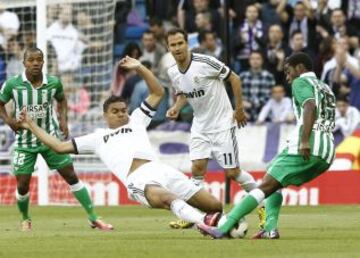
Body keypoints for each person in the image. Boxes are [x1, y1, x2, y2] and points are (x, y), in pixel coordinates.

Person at [17, 56, 224, 229]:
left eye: (123, 110)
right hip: (137, 180)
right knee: (168, 198)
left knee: (215, 205)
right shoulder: (98, 137)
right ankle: (203, 223)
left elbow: (158, 92)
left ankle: (214, 221)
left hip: (161, 169)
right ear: (105, 115)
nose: (121, 114)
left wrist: (140, 67)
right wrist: (31, 125)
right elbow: (59, 147)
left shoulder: (137, 119)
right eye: (115, 112)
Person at [197, 52, 336, 239]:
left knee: (265, 186)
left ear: (300, 68)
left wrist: (304, 140)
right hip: (327, 150)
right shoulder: (325, 87)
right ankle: (270, 229)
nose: (287, 78)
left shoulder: (301, 82)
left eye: (288, 72)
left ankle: (223, 228)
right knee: (272, 176)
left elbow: (310, 106)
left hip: (308, 144)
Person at [0, 47, 112, 231]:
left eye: (39, 59)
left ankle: (94, 217)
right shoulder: (12, 84)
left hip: (51, 139)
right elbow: (0, 103)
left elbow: (62, 100)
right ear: (24, 63)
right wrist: (9, 121)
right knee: (22, 185)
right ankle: (25, 219)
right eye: (31, 60)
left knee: (71, 175)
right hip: (25, 142)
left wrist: (63, 120)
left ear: (44, 62)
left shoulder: (53, 83)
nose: (35, 63)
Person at [165, 28, 263, 229]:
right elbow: (184, 94)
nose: (177, 48)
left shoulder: (204, 62)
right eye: (172, 45)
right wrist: (176, 107)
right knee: (197, 169)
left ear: (187, 44)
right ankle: (193, 216)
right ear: (169, 48)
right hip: (200, 126)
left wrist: (239, 109)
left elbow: (234, 78)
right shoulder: (172, 71)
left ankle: (263, 204)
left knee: (233, 172)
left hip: (222, 124)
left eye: (179, 43)